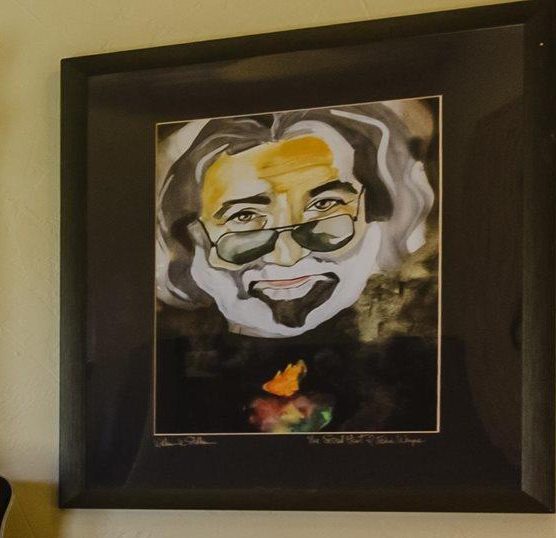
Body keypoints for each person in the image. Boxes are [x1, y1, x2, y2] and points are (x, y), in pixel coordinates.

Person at [151, 102, 438, 435]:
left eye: (323, 206)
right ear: (194, 237)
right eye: (243, 218)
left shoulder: (421, 365)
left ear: (375, 215)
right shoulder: (163, 373)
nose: (288, 256)